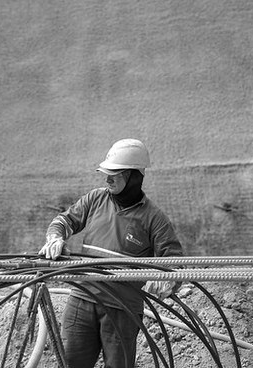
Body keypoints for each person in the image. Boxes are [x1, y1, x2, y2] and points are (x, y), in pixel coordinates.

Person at [38, 138, 184, 368]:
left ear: (133, 176)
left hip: (122, 309)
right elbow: (63, 221)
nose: (107, 179)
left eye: (114, 174)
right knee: (70, 363)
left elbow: (175, 262)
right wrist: (55, 237)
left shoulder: (154, 218)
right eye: (106, 173)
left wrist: (164, 279)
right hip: (82, 299)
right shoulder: (95, 199)